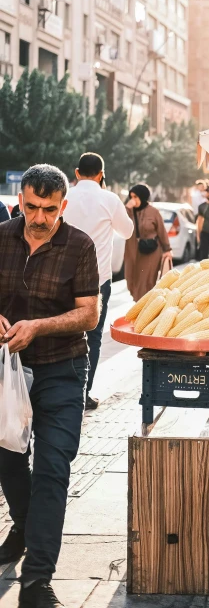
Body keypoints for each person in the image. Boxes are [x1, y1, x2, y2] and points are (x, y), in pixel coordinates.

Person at [0, 164, 99, 608]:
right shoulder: (1, 236)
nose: (39, 218)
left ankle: (37, 579)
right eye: (32, 207)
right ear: (21, 201)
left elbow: (89, 315)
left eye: (50, 210)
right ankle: (23, 526)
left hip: (63, 368)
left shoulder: (79, 245)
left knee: (52, 468)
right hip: (8, 370)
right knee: (7, 458)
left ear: (63, 206)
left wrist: (38, 326)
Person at [64, 153, 134, 410]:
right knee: (92, 338)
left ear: (77, 172)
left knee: (63, 332)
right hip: (97, 279)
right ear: (101, 174)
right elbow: (127, 231)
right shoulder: (109, 199)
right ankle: (83, 393)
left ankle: (62, 391)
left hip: (64, 277)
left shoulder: (65, 195)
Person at [124, 184, 172, 302]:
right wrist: (127, 208)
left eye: (135, 197)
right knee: (131, 279)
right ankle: (139, 303)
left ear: (142, 197)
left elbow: (161, 230)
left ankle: (143, 308)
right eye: (131, 197)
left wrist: (167, 249)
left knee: (146, 282)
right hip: (133, 251)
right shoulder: (128, 211)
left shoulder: (153, 212)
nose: (133, 200)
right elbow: (122, 224)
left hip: (151, 251)